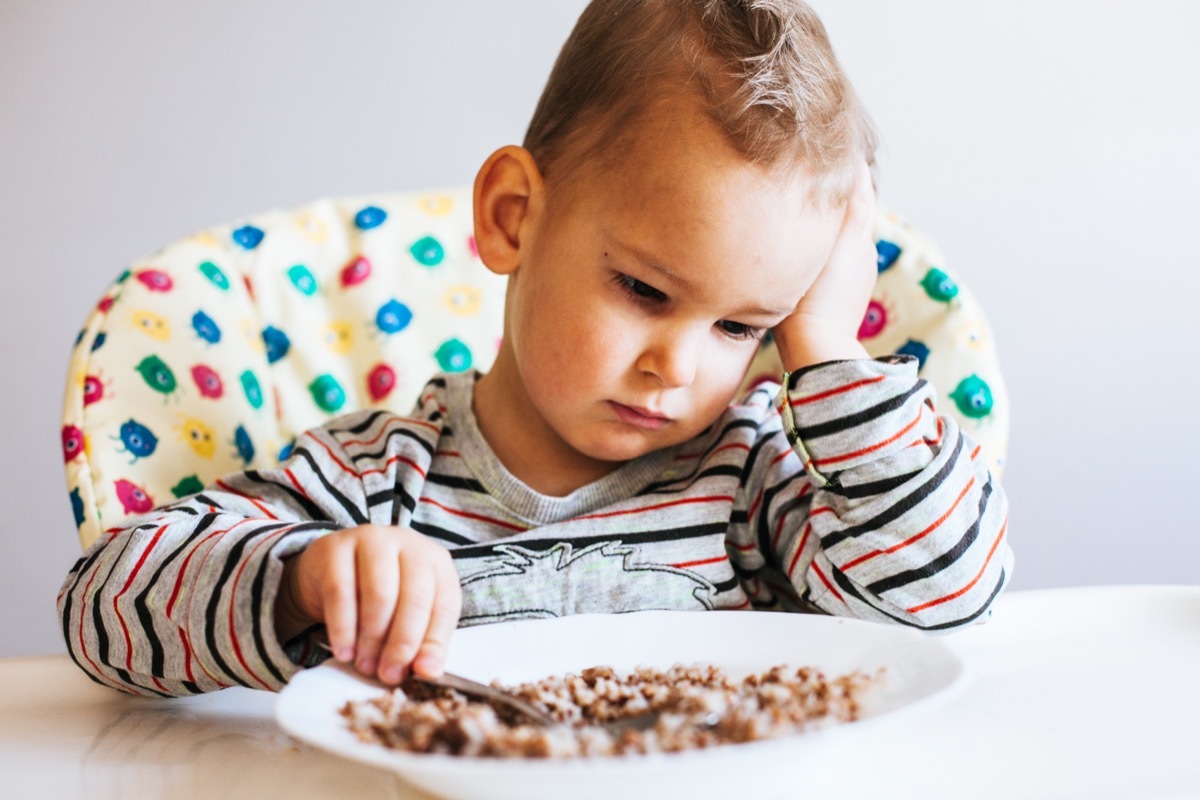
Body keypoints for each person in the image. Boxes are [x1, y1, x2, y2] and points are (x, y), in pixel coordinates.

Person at [58, 0, 1011, 697]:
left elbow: (944, 601)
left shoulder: (753, 477)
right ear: (514, 218)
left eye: (741, 326)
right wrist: (307, 577)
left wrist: (825, 352)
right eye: (643, 289)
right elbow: (103, 611)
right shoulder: (380, 479)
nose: (678, 368)